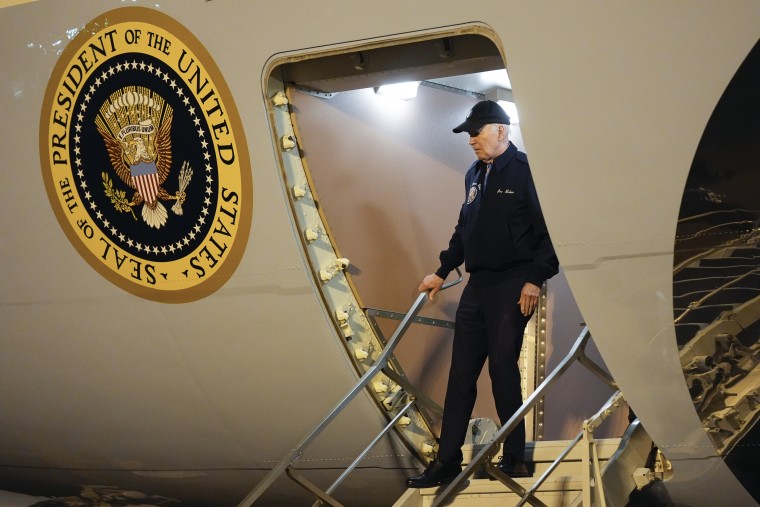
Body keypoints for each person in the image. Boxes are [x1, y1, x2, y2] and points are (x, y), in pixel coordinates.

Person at [406, 100, 559, 488]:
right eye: (469, 134)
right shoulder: (475, 174)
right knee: (461, 374)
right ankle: (446, 462)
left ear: (501, 132)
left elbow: (550, 233)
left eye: (476, 132)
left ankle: (515, 458)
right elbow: (464, 230)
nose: (471, 140)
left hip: (513, 283)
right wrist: (441, 272)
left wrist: (534, 279)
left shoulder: (528, 172)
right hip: (479, 285)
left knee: (502, 369)